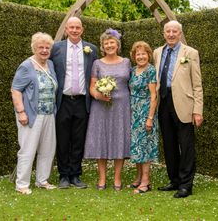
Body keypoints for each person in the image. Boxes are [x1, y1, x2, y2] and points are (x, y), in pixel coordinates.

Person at [154, 20, 204, 198]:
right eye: (168, 31)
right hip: (164, 103)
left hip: (184, 105)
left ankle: (186, 185)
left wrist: (198, 110)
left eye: (175, 31)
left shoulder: (190, 53)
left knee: (186, 146)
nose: (171, 34)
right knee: (169, 145)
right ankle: (174, 180)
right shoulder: (157, 52)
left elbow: (197, 84)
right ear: (164, 33)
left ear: (180, 33)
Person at [49, 16, 98, 189]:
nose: (75, 30)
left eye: (78, 27)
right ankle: (63, 175)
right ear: (66, 30)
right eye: (71, 27)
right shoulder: (56, 48)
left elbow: (95, 75)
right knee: (63, 140)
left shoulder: (91, 49)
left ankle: (76, 175)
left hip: (82, 102)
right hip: (63, 101)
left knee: (78, 140)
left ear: (82, 29)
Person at [84, 28, 131, 191]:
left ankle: (118, 179)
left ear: (117, 45)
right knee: (100, 139)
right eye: (106, 43)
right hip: (100, 107)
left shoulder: (126, 62)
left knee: (119, 138)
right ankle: (102, 179)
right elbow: (91, 86)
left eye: (112, 42)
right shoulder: (97, 63)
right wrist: (99, 95)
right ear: (102, 46)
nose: (109, 45)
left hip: (122, 107)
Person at [11, 32, 58, 195]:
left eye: (47, 47)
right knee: (28, 149)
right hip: (31, 114)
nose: (44, 50)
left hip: (49, 113)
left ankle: (42, 180)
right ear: (34, 48)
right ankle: (22, 184)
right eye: (41, 47)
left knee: (48, 149)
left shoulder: (50, 65)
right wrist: (21, 112)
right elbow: (16, 90)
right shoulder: (26, 66)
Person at [128, 41, 159, 194]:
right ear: (134, 56)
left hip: (145, 112)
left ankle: (146, 182)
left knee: (145, 147)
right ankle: (138, 177)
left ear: (148, 55)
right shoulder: (133, 70)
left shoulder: (150, 70)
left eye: (143, 53)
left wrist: (150, 118)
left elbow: (154, 95)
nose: (140, 56)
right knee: (136, 146)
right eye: (137, 54)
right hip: (134, 113)